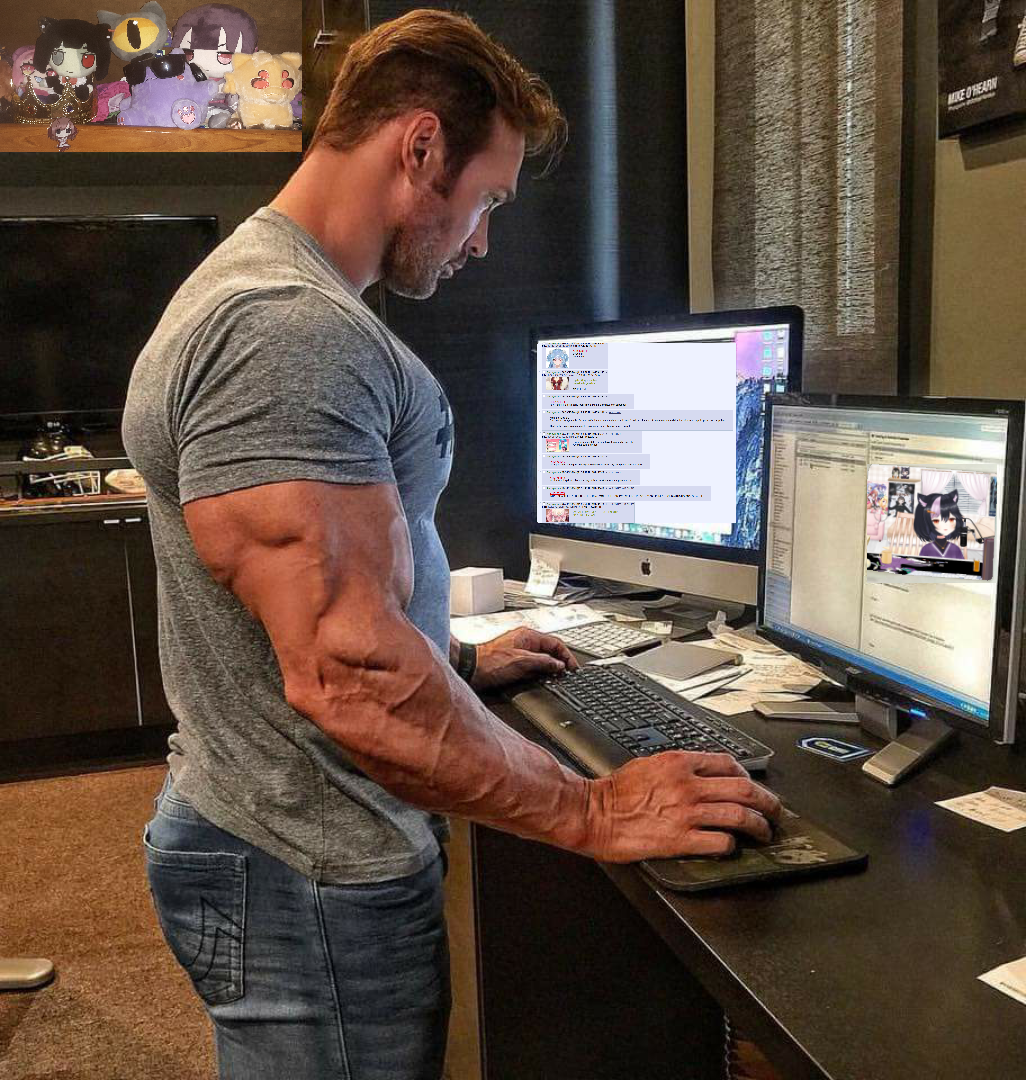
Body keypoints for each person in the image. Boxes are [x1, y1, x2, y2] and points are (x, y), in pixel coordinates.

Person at [123, 9, 780, 1078]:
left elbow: (313, 609)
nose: (482, 242)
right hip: (308, 866)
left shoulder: (263, 294)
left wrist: (456, 660)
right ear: (421, 148)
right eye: (490, 201)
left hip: (275, 836)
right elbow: (350, 678)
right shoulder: (288, 332)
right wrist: (590, 807)